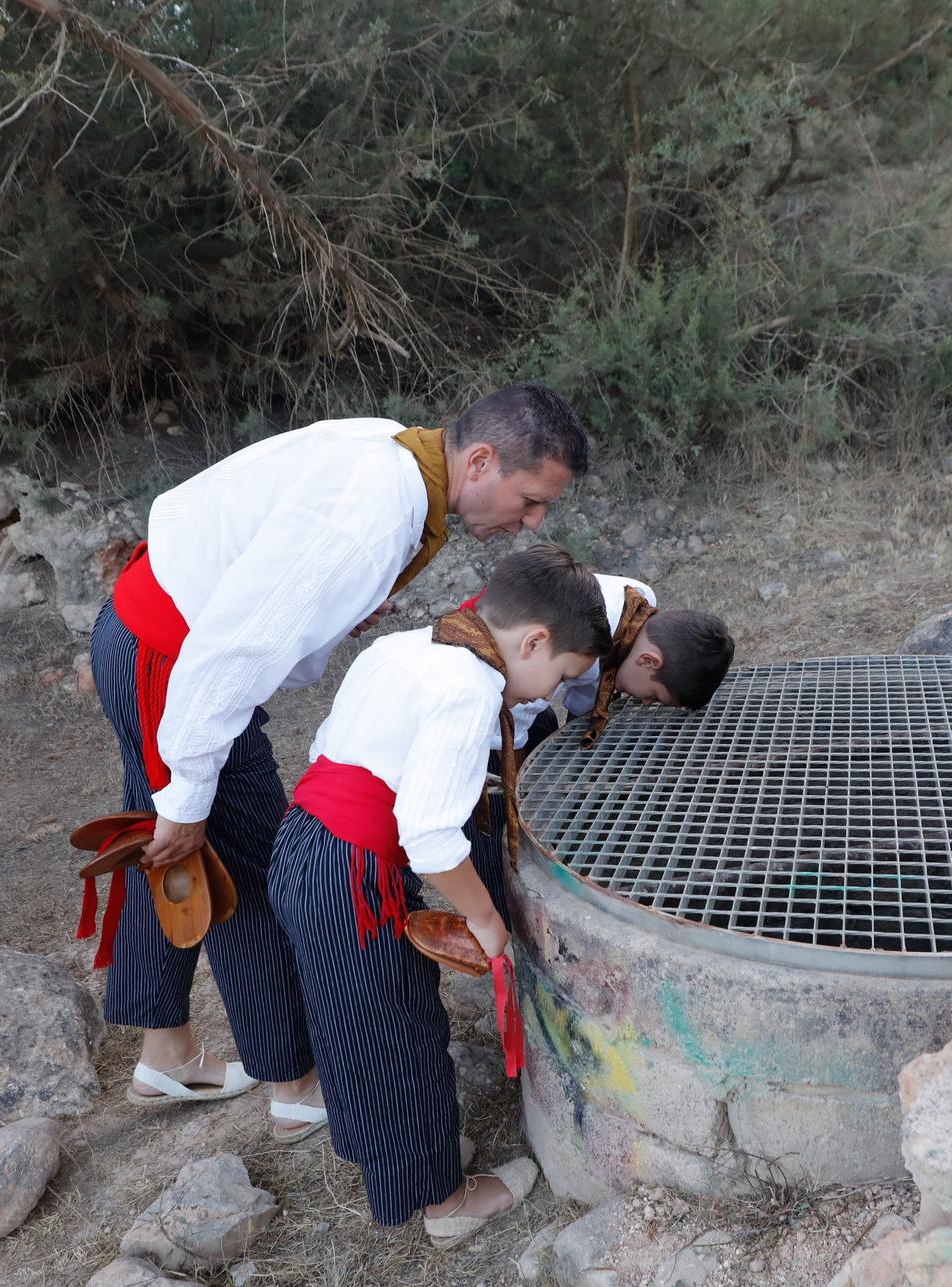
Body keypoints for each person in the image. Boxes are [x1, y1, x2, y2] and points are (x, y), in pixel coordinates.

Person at [85, 383, 588, 1139]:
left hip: (149, 635)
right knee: (242, 866)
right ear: (480, 461)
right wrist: (187, 794)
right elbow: (231, 652)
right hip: (174, 663)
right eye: (531, 498)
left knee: (175, 843)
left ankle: (164, 1051)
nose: (534, 521)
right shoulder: (374, 513)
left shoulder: (399, 457)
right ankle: (295, 1082)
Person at [267, 545, 611, 1242]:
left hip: (303, 842)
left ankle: (392, 1155)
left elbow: (335, 746)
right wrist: (485, 918)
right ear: (534, 640)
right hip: (352, 873)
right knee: (401, 1030)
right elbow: (428, 833)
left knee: (349, 1019)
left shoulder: (409, 646)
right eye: (562, 676)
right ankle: (442, 1200)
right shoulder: (469, 687)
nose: (549, 695)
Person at [463, 571, 735, 898]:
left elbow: (590, 692)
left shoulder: (639, 608)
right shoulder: (579, 640)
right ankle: (500, 898)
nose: (645, 703)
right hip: (484, 692)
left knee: (545, 732)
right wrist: (518, 787)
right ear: (649, 660)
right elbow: (509, 723)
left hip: (521, 691)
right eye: (653, 696)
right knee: (496, 816)